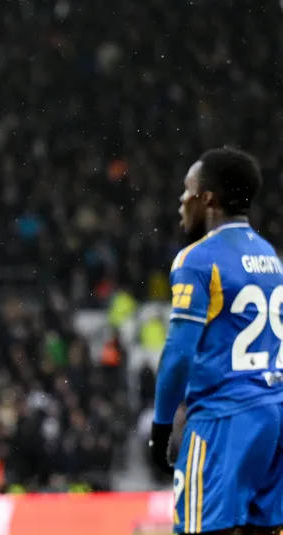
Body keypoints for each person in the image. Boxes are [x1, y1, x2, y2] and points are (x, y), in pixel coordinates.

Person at [149, 147, 283, 535]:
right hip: (274, 415)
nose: (181, 200)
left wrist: (161, 428)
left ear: (208, 199)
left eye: (187, 190)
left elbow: (179, 353)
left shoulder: (197, 259)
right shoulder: (270, 257)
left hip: (224, 420)